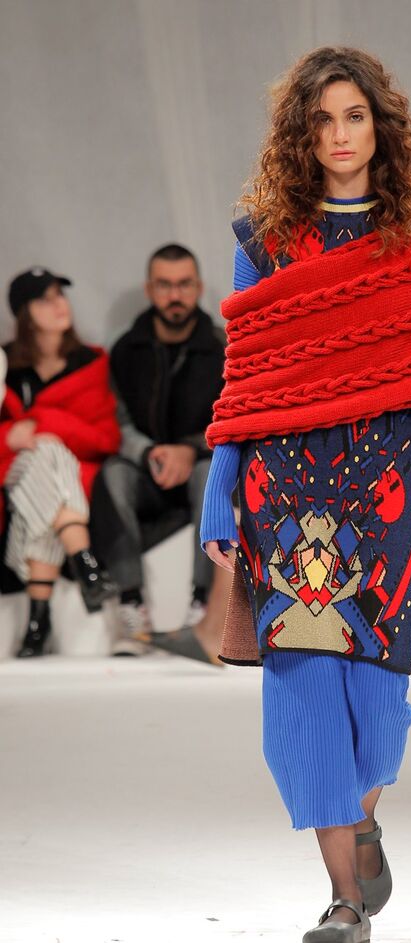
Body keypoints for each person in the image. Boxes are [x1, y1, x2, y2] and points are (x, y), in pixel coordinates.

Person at [200, 47, 411, 943]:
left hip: (385, 487)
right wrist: (218, 494)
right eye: (321, 120)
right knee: (303, 703)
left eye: (354, 115)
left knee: (380, 708)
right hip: (282, 490)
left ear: (381, 126)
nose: (340, 135)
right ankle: (344, 901)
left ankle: (361, 817)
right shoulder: (265, 241)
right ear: (301, 135)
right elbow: (242, 380)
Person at [91, 244, 225, 656]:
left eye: (184, 285)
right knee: (113, 474)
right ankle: (131, 607)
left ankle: (201, 605)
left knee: (212, 475)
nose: (175, 295)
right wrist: (150, 452)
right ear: (150, 290)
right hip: (146, 468)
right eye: (165, 285)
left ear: (198, 287)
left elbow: (235, 418)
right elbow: (116, 419)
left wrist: (189, 449)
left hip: (200, 465)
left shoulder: (222, 347)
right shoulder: (126, 349)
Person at [0, 268, 119, 657]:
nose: (58, 305)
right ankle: (84, 562)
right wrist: (11, 436)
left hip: (68, 477)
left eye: (60, 295)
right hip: (13, 470)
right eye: (44, 299)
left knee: (47, 458)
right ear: (25, 313)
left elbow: (106, 439)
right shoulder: (7, 368)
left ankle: (38, 622)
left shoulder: (88, 363)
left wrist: (45, 424)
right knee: (43, 459)